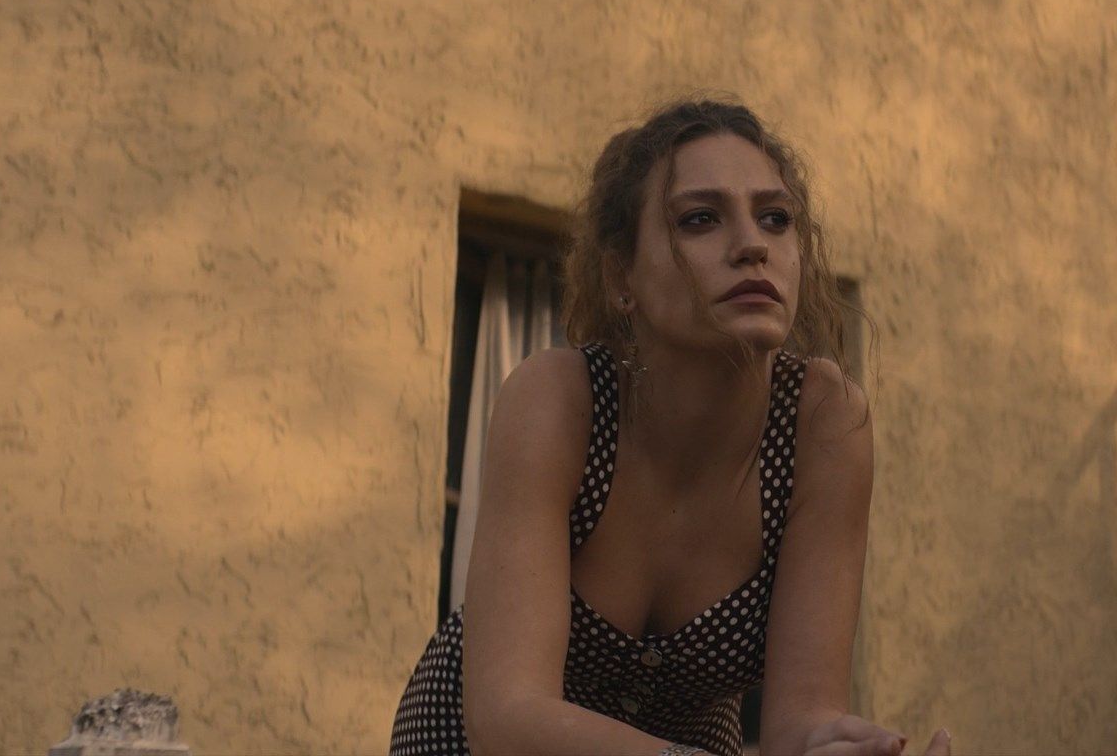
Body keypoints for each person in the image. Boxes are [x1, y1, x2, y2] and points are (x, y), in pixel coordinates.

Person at [390, 95, 951, 756]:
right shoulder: (558, 400)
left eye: (776, 218)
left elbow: (800, 720)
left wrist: (836, 747)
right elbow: (510, 719)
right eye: (700, 219)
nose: (753, 245)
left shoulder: (826, 424)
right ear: (620, 276)